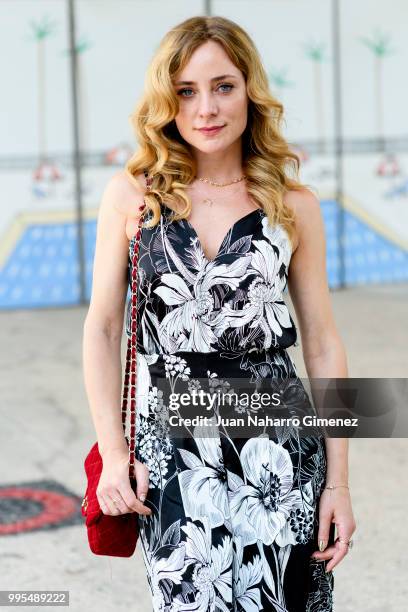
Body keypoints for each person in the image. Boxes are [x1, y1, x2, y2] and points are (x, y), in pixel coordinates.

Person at [82, 15, 356, 612]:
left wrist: (338, 483)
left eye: (223, 86)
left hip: (280, 456)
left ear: (250, 91)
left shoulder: (293, 206)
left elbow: (324, 345)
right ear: (165, 99)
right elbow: (103, 328)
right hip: (171, 458)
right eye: (186, 91)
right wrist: (113, 454)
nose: (206, 107)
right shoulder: (132, 197)